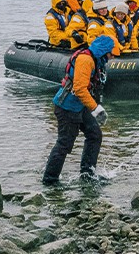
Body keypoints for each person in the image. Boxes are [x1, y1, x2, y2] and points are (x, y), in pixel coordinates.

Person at [41, 33, 119, 186]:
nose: (112, 58)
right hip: (67, 107)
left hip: (79, 106)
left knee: (95, 134)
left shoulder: (95, 60)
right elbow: (80, 89)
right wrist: (96, 109)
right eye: (112, 54)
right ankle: (50, 180)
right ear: (104, 51)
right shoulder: (85, 60)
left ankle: (87, 173)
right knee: (64, 143)